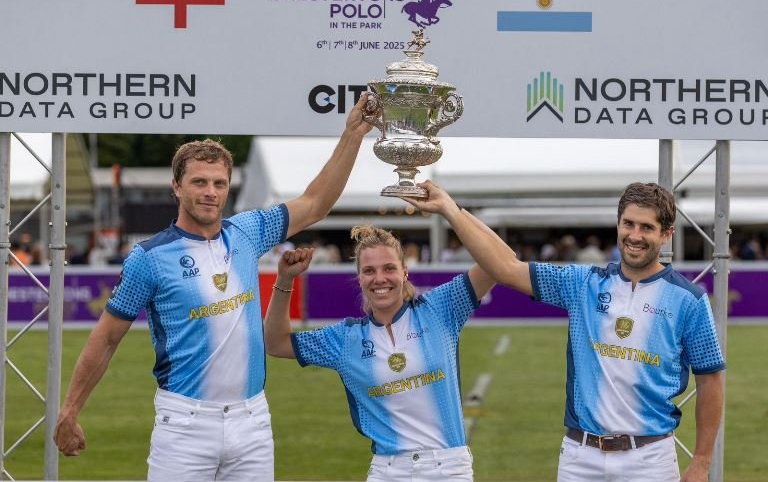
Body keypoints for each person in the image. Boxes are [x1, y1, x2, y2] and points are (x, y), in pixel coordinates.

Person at [53, 94, 373, 481]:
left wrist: (353, 134)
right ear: (176, 186)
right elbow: (105, 339)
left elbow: (316, 203)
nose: (210, 192)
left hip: (252, 420)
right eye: (199, 182)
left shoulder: (248, 231)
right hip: (185, 425)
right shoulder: (149, 257)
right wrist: (70, 410)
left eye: (219, 183)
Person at [404, 180, 725, 482]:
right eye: (628, 223)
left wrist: (701, 460)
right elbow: (505, 268)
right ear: (618, 224)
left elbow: (710, 380)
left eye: (647, 227)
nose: (635, 235)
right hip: (580, 456)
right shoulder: (583, 283)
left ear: (666, 234)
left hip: (650, 458)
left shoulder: (689, 300)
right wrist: (450, 209)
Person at [264, 225, 495, 481]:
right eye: (369, 271)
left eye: (389, 268)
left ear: (404, 272)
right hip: (388, 471)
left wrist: (449, 211)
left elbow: (496, 259)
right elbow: (275, 343)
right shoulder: (344, 339)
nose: (379, 278)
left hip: (450, 468)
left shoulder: (439, 309)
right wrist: (285, 280)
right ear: (360, 278)